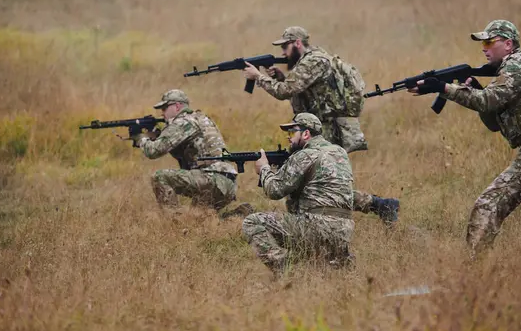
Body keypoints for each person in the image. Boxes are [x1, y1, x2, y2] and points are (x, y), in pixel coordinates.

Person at [409, 19, 521, 257]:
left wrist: (444, 88)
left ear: (508, 44)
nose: (484, 48)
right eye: (483, 43)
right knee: (487, 207)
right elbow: (492, 123)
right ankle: (475, 272)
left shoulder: (520, 63)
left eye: (490, 42)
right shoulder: (505, 73)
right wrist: (474, 90)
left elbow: (488, 100)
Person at [242, 26, 399, 225]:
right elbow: (306, 90)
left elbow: (286, 91)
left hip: (326, 130)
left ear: (297, 43)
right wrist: (280, 77)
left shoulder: (314, 60)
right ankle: (379, 205)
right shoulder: (311, 60)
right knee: (321, 183)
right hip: (320, 127)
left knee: (317, 183)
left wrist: (258, 77)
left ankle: (308, 224)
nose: (282, 52)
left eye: (285, 47)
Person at [242, 113, 355, 274]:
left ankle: (287, 271)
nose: (288, 138)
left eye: (291, 132)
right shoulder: (339, 152)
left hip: (317, 227)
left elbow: (274, 190)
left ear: (306, 133)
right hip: (344, 230)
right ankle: (332, 262)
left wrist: (264, 169)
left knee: (252, 222)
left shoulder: (304, 155)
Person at [131, 89, 251, 216]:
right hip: (226, 183)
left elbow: (153, 151)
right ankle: (240, 214)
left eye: (165, 108)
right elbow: (181, 150)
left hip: (211, 179)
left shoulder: (183, 122)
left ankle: (174, 223)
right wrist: (157, 135)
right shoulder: (200, 119)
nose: (162, 113)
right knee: (197, 222)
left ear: (177, 106)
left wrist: (140, 137)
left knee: (159, 177)